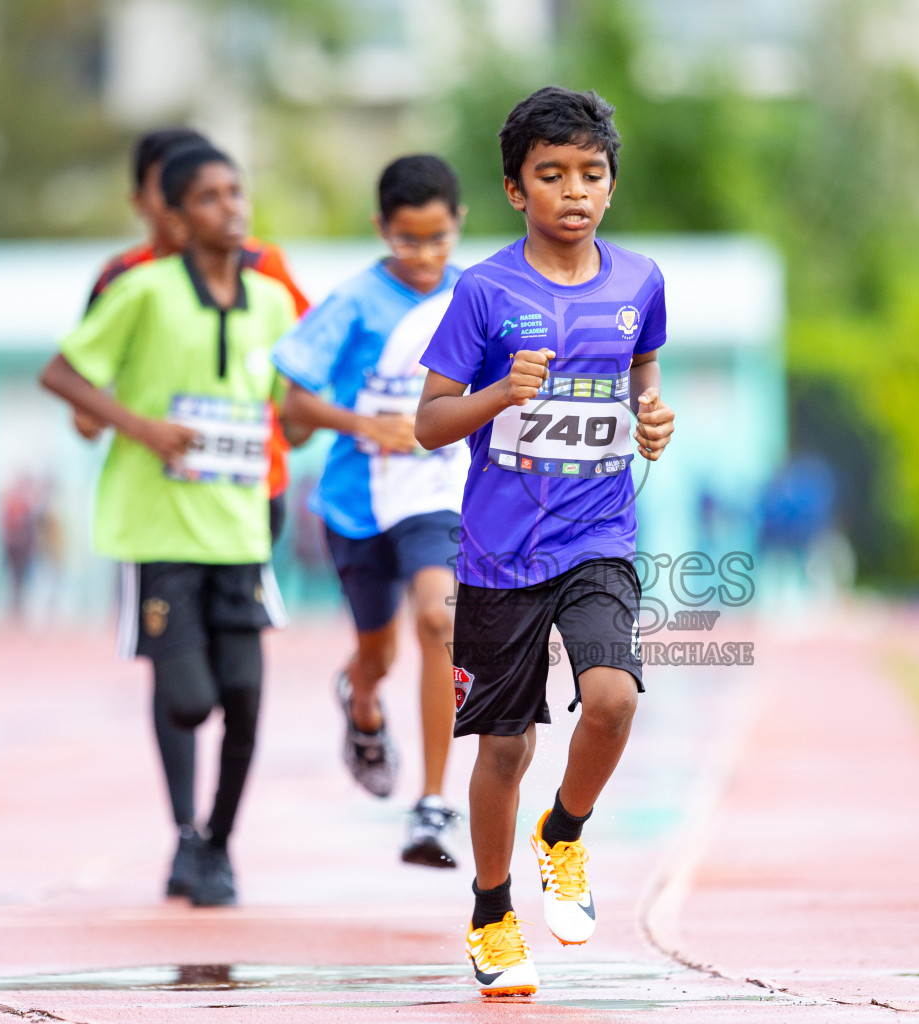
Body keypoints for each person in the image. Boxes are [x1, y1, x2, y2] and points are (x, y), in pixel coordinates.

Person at [415, 87, 676, 997]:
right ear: (515, 189)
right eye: (552, 175)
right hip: (498, 552)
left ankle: (563, 832)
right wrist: (498, 397)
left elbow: (642, 370)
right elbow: (428, 421)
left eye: (591, 175)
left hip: (600, 531)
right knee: (504, 749)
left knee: (612, 699)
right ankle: (492, 912)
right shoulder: (484, 291)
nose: (575, 191)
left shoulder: (639, 281)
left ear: (610, 185)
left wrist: (649, 415)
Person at [39, 143, 297, 907]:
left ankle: (215, 845)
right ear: (174, 216)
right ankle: (184, 828)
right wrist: (138, 426)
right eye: (212, 197)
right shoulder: (141, 289)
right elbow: (62, 372)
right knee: (189, 698)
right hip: (156, 530)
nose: (232, 207)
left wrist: (361, 423)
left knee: (246, 698)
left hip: (240, 529)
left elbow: (291, 401)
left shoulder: (274, 299)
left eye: (237, 191)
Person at [271, 155, 469, 868]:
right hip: (357, 505)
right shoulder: (352, 302)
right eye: (407, 240)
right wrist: (365, 423)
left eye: (438, 239)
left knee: (440, 618)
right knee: (379, 653)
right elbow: (292, 406)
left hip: (437, 496)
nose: (423, 256)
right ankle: (359, 702)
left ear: (460, 225)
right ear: (382, 229)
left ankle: (434, 804)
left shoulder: (472, 300)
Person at [78, 127, 310, 541]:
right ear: (144, 202)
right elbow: (84, 412)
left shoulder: (264, 270)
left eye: (228, 191)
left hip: (251, 491)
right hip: (159, 507)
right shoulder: (127, 281)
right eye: (173, 187)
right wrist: (138, 422)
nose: (220, 206)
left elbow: (306, 369)